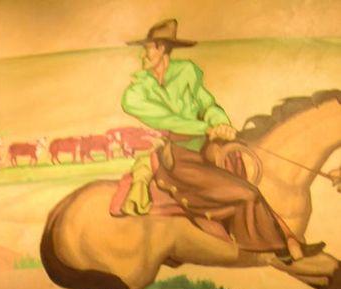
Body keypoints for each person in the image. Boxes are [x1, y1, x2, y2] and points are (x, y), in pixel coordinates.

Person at [120, 19, 321, 263]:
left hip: (209, 146)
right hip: (180, 157)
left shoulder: (186, 72)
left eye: (148, 48)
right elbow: (167, 120)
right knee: (246, 194)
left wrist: (221, 122)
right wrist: (206, 128)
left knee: (250, 170)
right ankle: (281, 250)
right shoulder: (135, 93)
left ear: (162, 49)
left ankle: (289, 238)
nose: (144, 55)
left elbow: (207, 104)